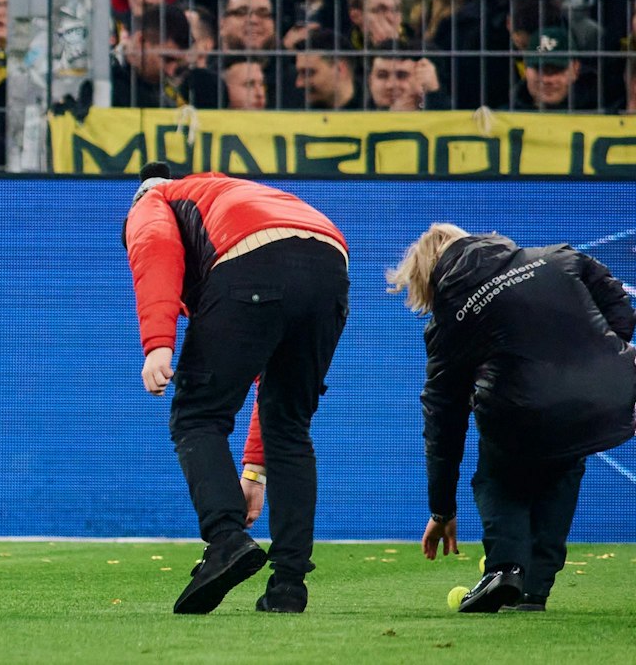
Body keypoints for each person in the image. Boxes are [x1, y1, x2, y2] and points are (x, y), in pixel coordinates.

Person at [125, 163, 349, 614]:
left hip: (252, 261)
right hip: (331, 263)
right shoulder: (225, 193)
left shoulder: (154, 198)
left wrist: (157, 343)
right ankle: (288, 585)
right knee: (288, 425)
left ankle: (226, 539)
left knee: (197, 415)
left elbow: (155, 245)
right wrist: (253, 472)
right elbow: (263, 370)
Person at [392, 223, 636, 612]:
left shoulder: (449, 321)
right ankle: (535, 589)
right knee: (564, 466)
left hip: (520, 414)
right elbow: (616, 298)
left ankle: (504, 571)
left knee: (498, 477)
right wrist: (606, 358)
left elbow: (443, 419)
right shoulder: (555, 258)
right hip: (606, 398)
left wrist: (442, 509)